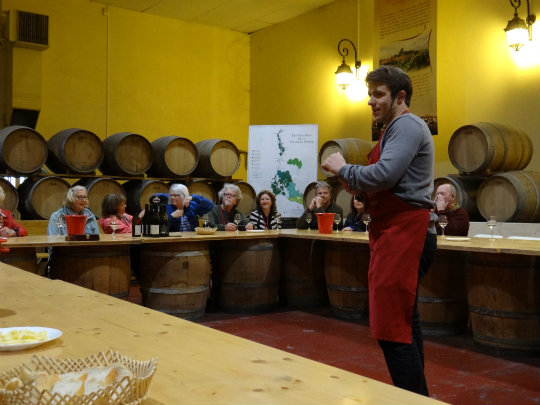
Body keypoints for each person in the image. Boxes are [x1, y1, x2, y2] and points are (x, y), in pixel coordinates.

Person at [321, 65, 437, 396]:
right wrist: (353, 178)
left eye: (379, 94)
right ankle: (418, 399)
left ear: (400, 96)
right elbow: (375, 184)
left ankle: (414, 400)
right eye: (369, 94)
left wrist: (343, 167)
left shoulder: (407, 126)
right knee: (404, 323)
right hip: (395, 232)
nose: (371, 101)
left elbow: (384, 175)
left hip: (406, 233)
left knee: (391, 328)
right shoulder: (390, 130)